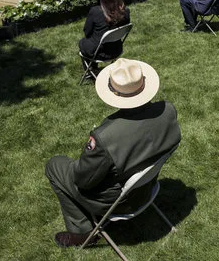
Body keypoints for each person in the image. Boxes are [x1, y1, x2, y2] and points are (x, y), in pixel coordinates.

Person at [46, 58, 182, 247]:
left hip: (117, 203)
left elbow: (82, 181)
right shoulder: (168, 111)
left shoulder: (105, 137)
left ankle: (83, 232)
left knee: (55, 165)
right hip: (147, 188)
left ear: (114, 92)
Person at [79, 0, 130, 78]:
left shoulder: (95, 11)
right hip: (117, 49)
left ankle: (92, 71)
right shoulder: (124, 11)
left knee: (82, 43)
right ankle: (94, 70)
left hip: (100, 53)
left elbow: (87, 32)